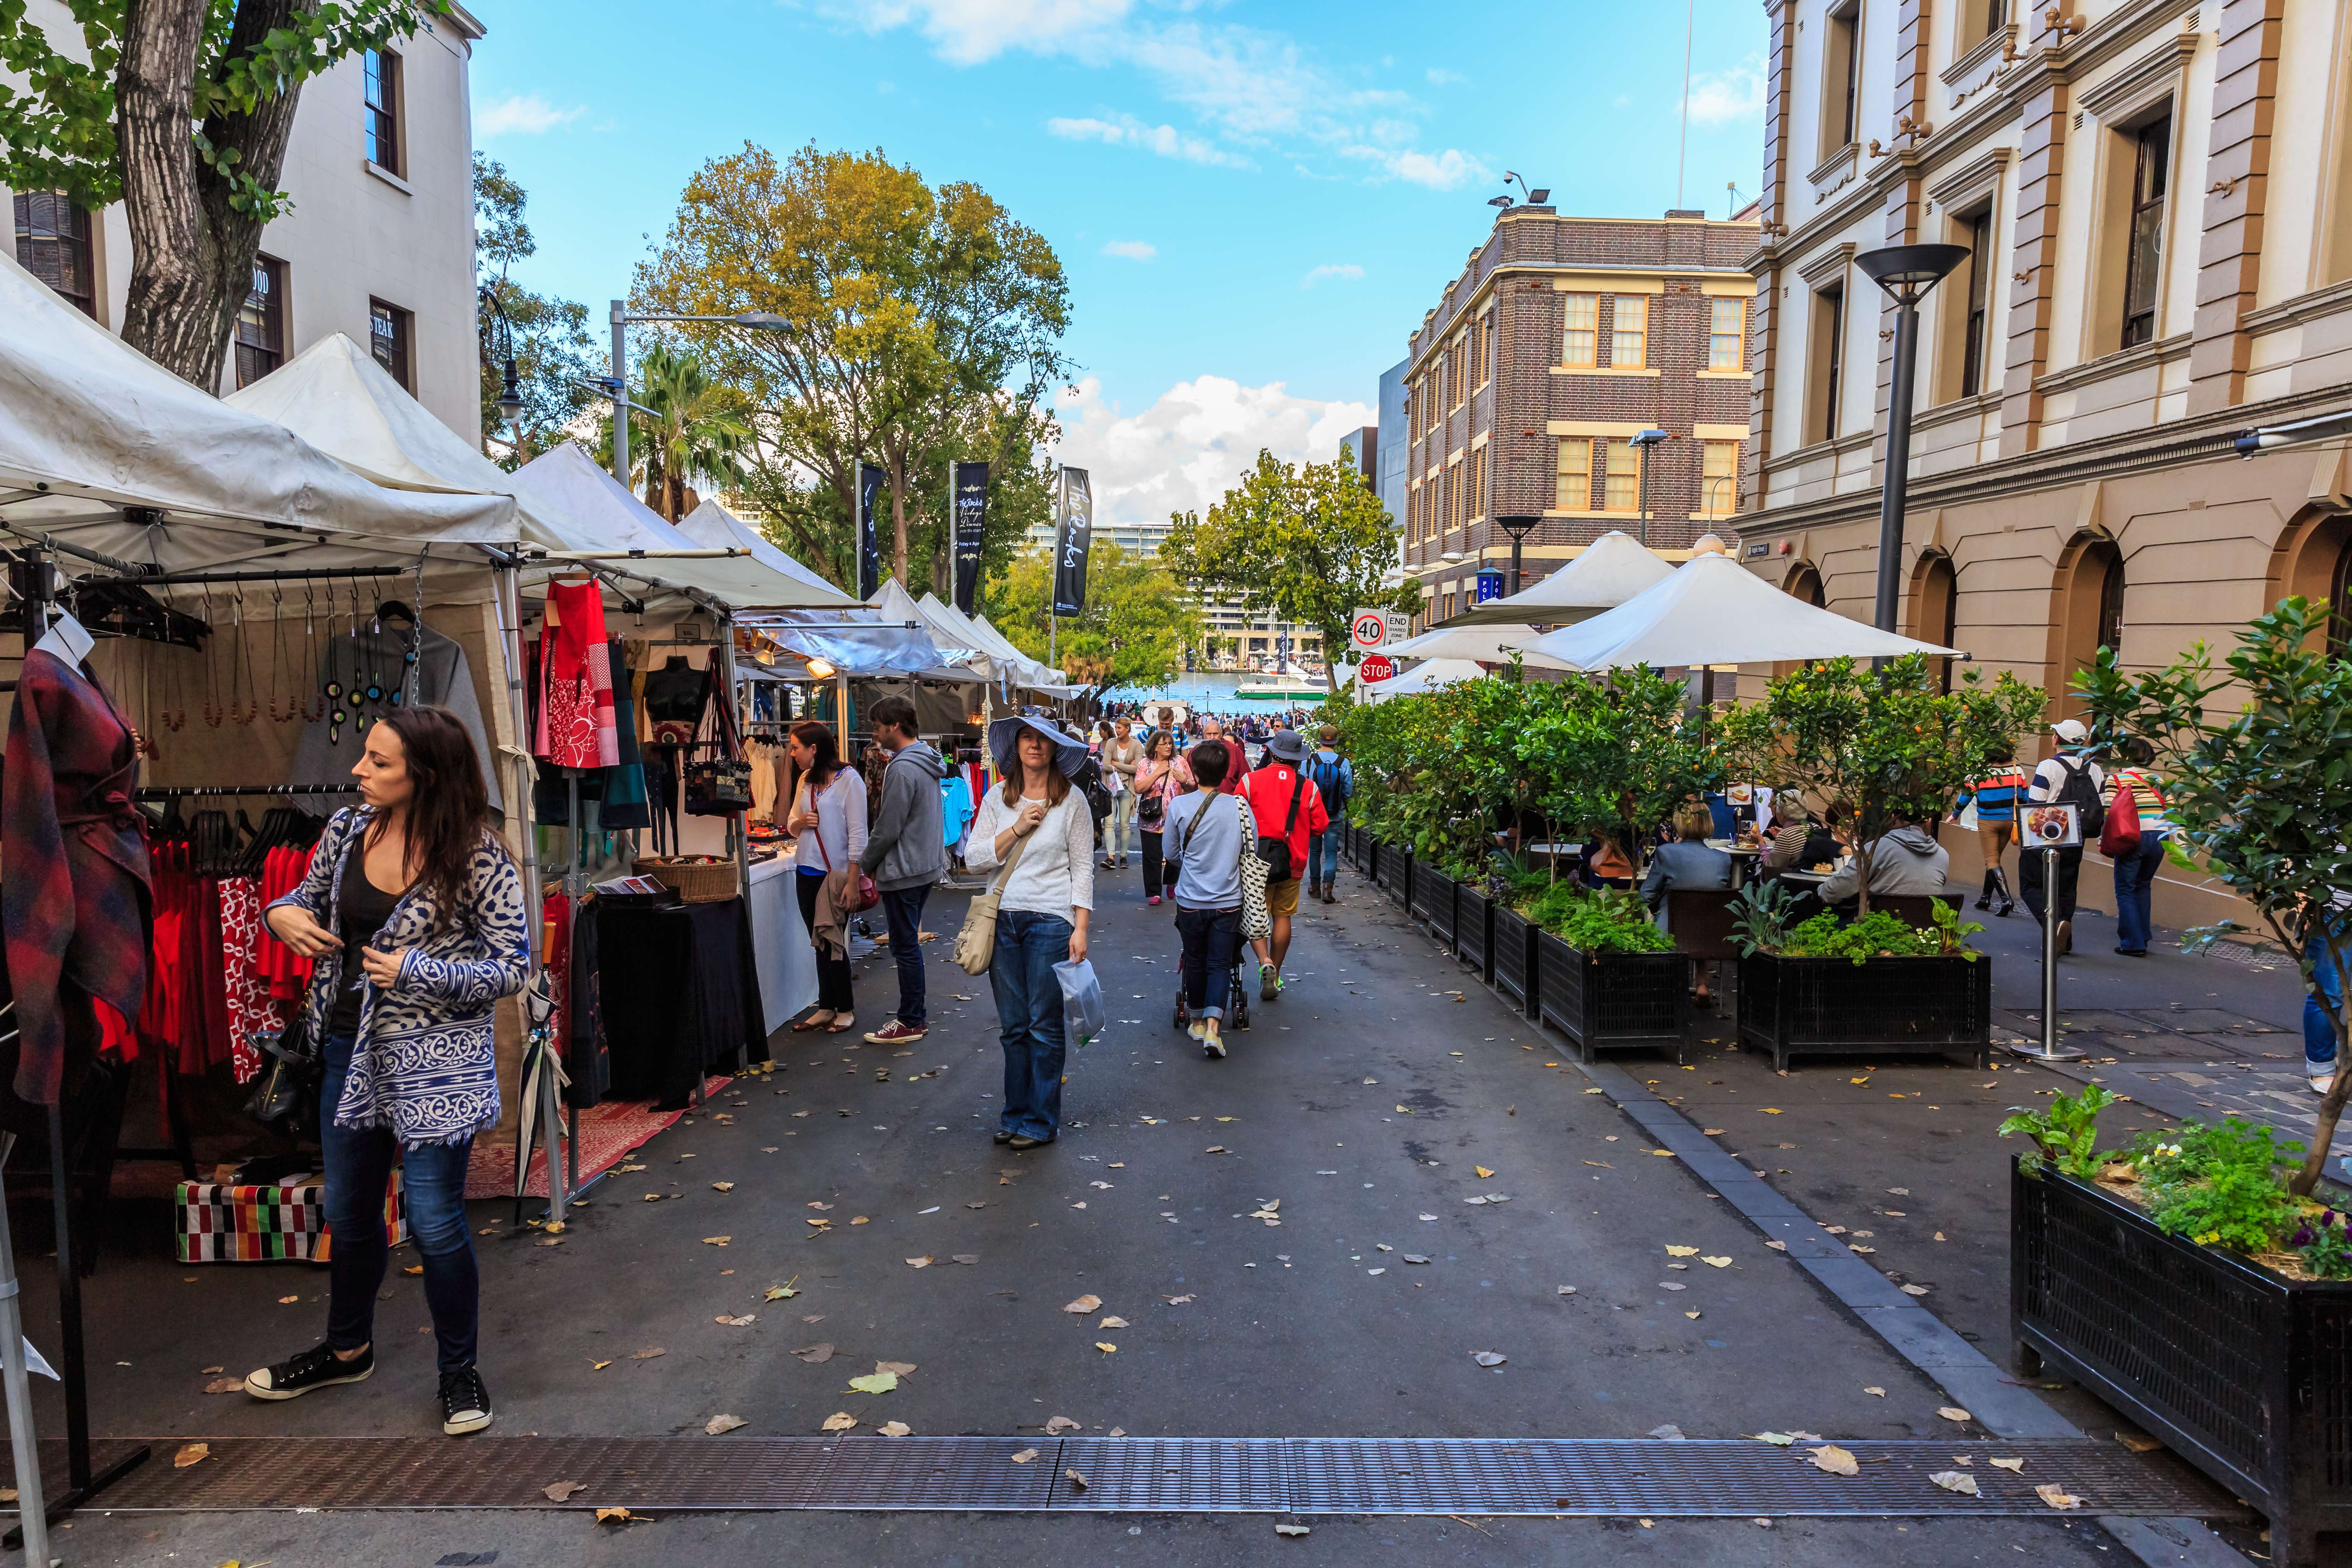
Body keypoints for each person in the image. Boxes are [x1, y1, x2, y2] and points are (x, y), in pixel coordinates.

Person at [246, 707, 528, 1437]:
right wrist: (281, 915)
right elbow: (300, 901)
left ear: (424, 774)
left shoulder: (477, 853)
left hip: (437, 1063)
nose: (358, 770)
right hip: (345, 1044)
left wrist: (418, 970)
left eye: (377, 761)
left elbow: (513, 968)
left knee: (434, 1220)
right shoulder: (346, 831)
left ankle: (459, 1370)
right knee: (348, 1209)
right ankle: (347, 1346)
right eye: (365, 757)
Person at [964, 718, 1095, 1149]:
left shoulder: (1072, 801)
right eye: (1027, 737)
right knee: (1013, 1026)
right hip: (1001, 919)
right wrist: (1017, 827)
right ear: (1016, 745)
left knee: (1043, 1024)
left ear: (1056, 748)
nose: (1035, 745)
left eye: (1043, 739)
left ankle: (1041, 1119)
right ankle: (1014, 1113)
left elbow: (1083, 868)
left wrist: (1080, 927)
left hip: (1050, 920)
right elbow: (974, 858)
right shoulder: (997, 797)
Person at [858, 695, 947, 1045]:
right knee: (906, 944)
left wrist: (866, 865)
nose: (875, 735)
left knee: (905, 945)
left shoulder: (903, 767)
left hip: (905, 868)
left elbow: (888, 826)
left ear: (895, 726)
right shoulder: (924, 761)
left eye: (878, 727)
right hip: (923, 866)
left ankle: (911, 1019)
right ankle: (913, 1017)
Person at [1165, 738, 1249, 1059]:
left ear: (1195, 771)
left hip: (1191, 899)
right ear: (1227, 770)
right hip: (1228, 900)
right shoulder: (1239, 806)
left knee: (1196, 959)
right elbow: (1249, 850)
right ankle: (1215, 1027)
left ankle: (1197, 1020)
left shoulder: (1180, 806)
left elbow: (1172, 853)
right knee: (1220, 962)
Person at [785, 720, 867, 1033]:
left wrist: (853, 880)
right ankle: (826, 1006)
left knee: (834, 942)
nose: (792, 754)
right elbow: (792, 823)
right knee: (819, 941)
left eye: (796, 748)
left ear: (814, 749)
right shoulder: (806, 779)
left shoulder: (850, 781)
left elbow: (859, 834)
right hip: (806, 869)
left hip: (834, 875)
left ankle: (845, 1008)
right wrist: (802, 822)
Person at [1238, 729, 1329, 1001]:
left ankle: (1263, 960)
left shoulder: (1250, 781)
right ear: (1297, 759)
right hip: (1292, 863)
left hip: (1256, 862)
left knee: (1256, 915)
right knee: (1282, 916)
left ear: (1273, 753)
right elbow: (1320, 826)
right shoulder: (1308, 788)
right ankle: (1275, 974)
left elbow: (1235, 814)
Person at [2021, 718, 2106, 955]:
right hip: (2077, 837)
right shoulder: (2095, 769)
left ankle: (2054, 924)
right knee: (2067, 888)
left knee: (2030, 885)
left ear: (2057, 740)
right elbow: (2102, 805)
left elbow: (2035, 804)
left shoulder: (2048, 766)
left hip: (2047, 835)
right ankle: (2065, 942)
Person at [1640, 801, 1735, 1003]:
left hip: (1672, 932)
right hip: (1712, 935)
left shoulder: (1666, 853)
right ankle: (1702, 982)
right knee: (1702, 912)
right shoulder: (1723, 859)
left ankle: (1668, 985)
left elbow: (1646, 894)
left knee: (1677, 914)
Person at [2103, 735, 2173, 958]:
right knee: (2143, 885)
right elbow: (2172, 807)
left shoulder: (2117, 779)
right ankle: (2142, 936)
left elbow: (2110, 813)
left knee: (2125, 889)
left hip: (2132, 836)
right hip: (2161, 835)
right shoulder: (2158, 780)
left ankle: (2132, 943)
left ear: (2125, 756)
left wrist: (2103, 839)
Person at [1954, 740, 2027, 916]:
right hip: (2011, 821)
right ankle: (1985, 898)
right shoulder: (2018, 769)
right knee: (1995, 859)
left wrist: (1955, 813)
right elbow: (2025, 797)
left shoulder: (1980, 772)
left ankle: (2006, 899)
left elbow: (1966, 794)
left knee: (1991, 860)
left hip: (1988, 820)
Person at [1818, 812, 1951, 905]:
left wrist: (1821, 892)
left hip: (1881, 930)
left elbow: (1840, 888)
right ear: (1929, 822)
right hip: (1925, 931)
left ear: (1893, 819)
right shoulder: (1942, 856)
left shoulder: (1877, 848)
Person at [1134, 728, 1182, 907]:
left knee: (1174, 855)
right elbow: (1139, 788)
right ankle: (1154, 892)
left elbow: (1191, 785)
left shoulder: (1179, 762)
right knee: (1151, 856)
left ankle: (1171, 881)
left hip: (1175, 818)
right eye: (1165, 744)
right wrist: (1158, 772)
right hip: (1151, 819)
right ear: (1155, 747)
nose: (1169, 747)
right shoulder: (1145, 765)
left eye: (1171, 744)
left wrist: (1184, 780)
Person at [1306, 725, 1353, 904]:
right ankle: (1328, 890)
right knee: (1332, 853)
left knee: (1315, 852)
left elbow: (1305, 788)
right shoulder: (1343, 763)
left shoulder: (1309, 761)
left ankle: (1314, 888)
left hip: (1314, 815)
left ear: (1319, 740)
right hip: (1334, 815)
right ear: (1336, 741)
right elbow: (1348, 791)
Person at [1100, 717, 1144, 871]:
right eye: (1116, 728)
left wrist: (1116, 764)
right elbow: (1105, 766)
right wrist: (1127, 766)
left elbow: (1138, 769)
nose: (1117, 731)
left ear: (1127, 729)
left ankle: (1123, 856)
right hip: (1111, 785)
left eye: (1120, 728)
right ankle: (1110, 857)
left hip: (1126, 786)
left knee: (1125, 824)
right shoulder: (1112, 743)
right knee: (1109, 823)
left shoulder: (1137, 745)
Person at [1190, 717, 1249, 794]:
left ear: (1221, 734)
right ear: (1204, 734)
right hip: (1200, 801)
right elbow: (1190, 779)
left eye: (1215, 734)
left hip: (1228, 800)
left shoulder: (1234, 751)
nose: (1212, 737)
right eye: (1209, 734)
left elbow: (1245, 779)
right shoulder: (1195, 752)